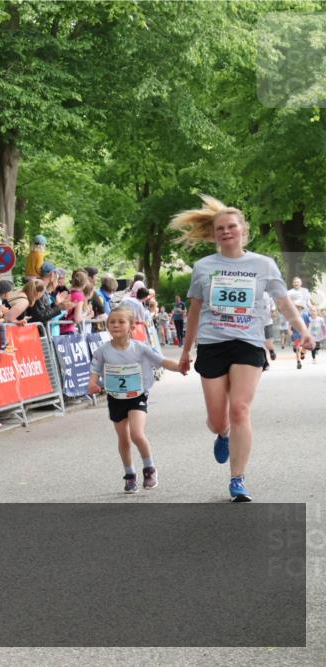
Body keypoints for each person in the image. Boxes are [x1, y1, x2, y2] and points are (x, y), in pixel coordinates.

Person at [171, 195, 314, 502]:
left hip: (248, 342)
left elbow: (282, 302)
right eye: (220, 228)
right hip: (212, 343)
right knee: (218, 420)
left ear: (243, 230)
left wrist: (302, 331)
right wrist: (185, 351)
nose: (226, 232)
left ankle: (237, 478)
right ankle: (222, 434)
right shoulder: (203, 267)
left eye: (232, 226)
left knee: (240, 409)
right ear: (214, 234)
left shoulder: (263, 265)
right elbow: (194, 311)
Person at [88, 308, 185, 493]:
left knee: (137, 434)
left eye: (121, 322)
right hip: (115, 397)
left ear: (132, 326)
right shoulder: (103, 351)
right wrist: (92, 383)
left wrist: (179, 367)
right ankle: (130, 474)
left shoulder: (140, 348)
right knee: (123, 439)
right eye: (112, 322)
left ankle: (149, 468)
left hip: (137, 395)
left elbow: (162, 361)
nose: (116, 325)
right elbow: (95, 370)